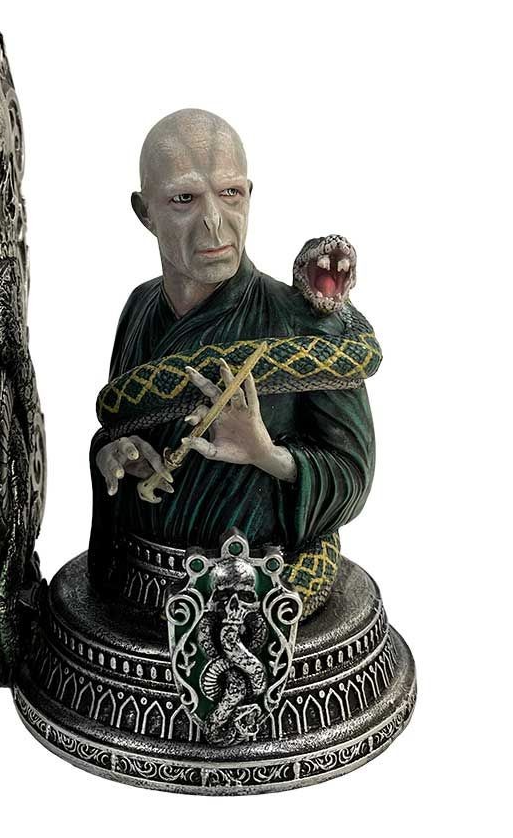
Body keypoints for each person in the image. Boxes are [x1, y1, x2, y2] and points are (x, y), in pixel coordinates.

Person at [88, 109, 377, 617]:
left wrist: (267, 454)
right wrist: (116, 454)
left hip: (266, 593)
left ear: (249, 194)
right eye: (184, 199)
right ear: (144, 212)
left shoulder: (304, 324)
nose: (214, 222)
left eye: (230, 194)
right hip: (145, 586)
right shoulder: (139, 309)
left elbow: (352, 475)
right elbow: (115, 421)